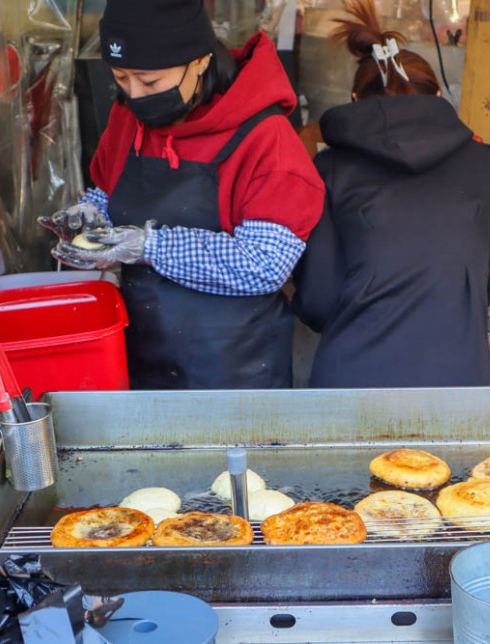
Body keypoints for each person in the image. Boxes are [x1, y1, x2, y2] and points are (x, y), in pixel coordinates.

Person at [42, 0, 324, 389]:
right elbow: (108, 191)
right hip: (142, 350)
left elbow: (265, 263)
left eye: (150, 82)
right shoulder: (128, 118)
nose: (135, 95)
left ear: (200, 61)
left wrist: (146, 246)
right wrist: (91, 213)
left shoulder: (266, 140)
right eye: (121, 79)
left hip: (234, 370)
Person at [291, 0, 490, 388]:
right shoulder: (483, 163)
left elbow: (319, 299)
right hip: (461, 381)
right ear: (438, 95)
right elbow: (482, 283)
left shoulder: (330, 170)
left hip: (355, 382)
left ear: (356, 102)